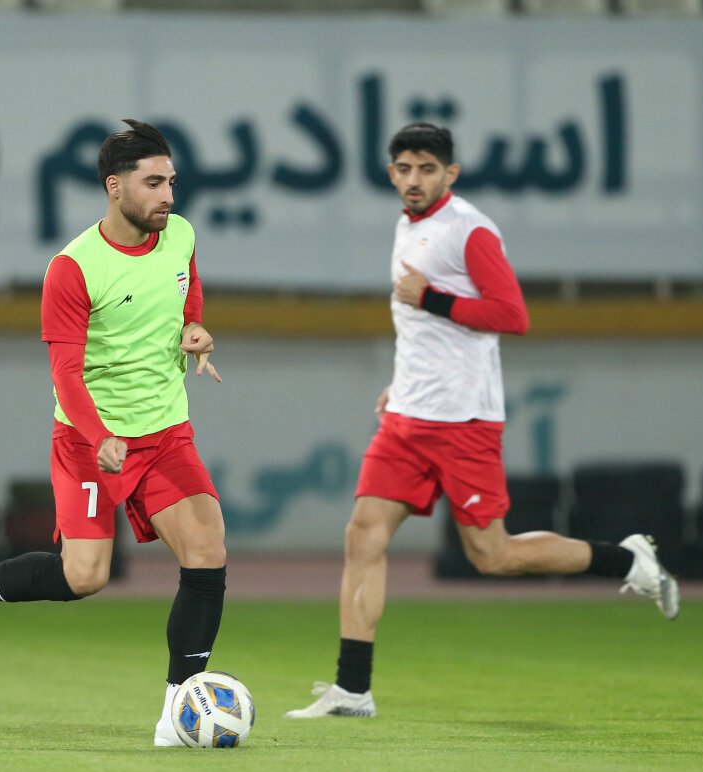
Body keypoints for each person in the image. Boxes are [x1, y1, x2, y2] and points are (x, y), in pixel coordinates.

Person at [285, 122, 680, 720]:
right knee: (363, 534)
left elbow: (512, 315)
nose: (414, 179)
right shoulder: (408, 224)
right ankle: (352, 690)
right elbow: (424, 334)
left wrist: (432, 298)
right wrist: (403, 383)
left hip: (463, 421)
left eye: (427, 169)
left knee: (493, 556)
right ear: (391, 173)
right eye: (404, 168)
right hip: (407, 418)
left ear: (451, 173)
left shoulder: (469, 229)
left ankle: (627, 562)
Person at [0, 119, 227, 747]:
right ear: (114, 187)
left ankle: (177, 712)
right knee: (85, 577)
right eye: (153, 183)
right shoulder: (73, 269)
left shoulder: (181, 234)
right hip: (87, 443)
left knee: (207, 549)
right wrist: (100, 436)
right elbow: (66, 375)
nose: (168, 196)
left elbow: (188, 293)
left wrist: (194, 328)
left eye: (171, 183)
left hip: (165, 433)